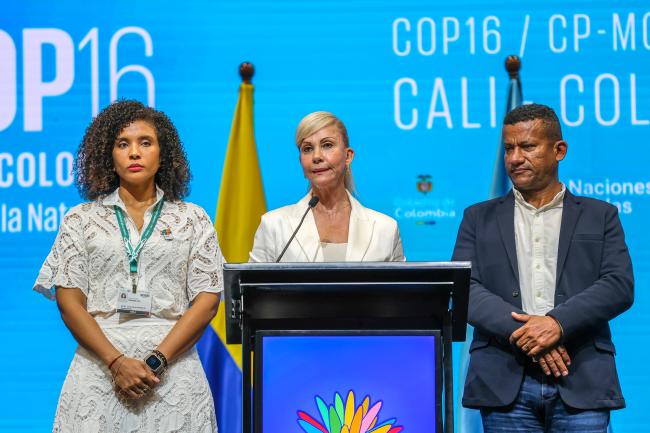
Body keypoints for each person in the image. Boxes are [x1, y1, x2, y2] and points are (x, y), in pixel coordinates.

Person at [33, 100, 223, 432]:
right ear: (109, 155)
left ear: (163, 154)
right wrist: (116, 362)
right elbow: (68, 302)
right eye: (123, 144)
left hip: (174, 371)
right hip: (98, 369)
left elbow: (207, 300)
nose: (134, 153)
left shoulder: (192, 219)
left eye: (145, 143)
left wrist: (157, 361)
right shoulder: (80, 220)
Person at [452, 103, 634, 432]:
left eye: (528, 146)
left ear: (559, 150)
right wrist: (528, 334)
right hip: (503, 381)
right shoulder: (477, 218)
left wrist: (557, 324)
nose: (515, 158)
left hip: (581, 375)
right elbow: (466, 289)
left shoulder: (600, 215)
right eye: (509, 148)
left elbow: (618, 284)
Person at [249, 111, 404, 262]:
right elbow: (251, 287)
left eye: (327, 145)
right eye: (307, 149)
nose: (316, 157)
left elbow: (403, 288)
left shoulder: (385, 229)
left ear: (348, 156)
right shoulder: (274, 226)